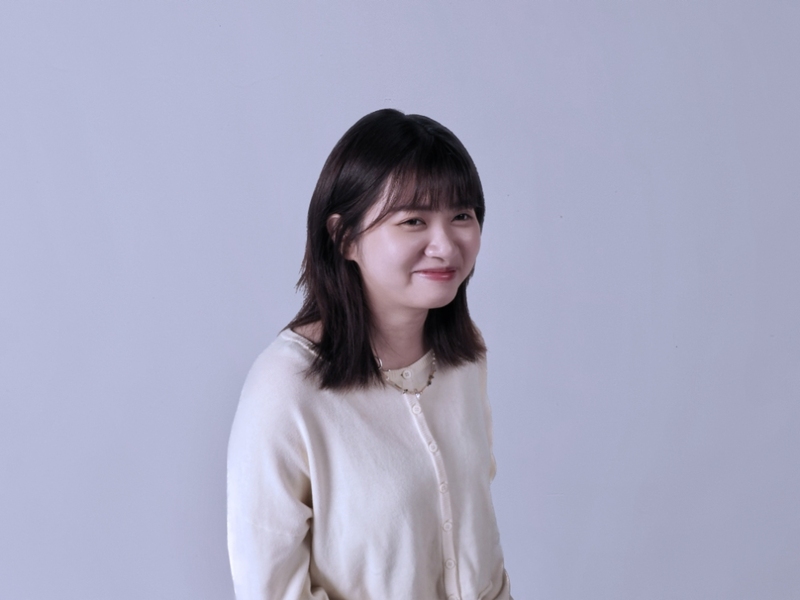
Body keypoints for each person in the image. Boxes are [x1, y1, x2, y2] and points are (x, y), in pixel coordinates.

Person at [227, 108, 512, 600]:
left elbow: (479, 548)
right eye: (414, 220)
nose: (445, 246)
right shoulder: (288, 386)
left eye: (462, 216)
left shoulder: (466, 357)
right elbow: (269, 589)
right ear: (344, 237)